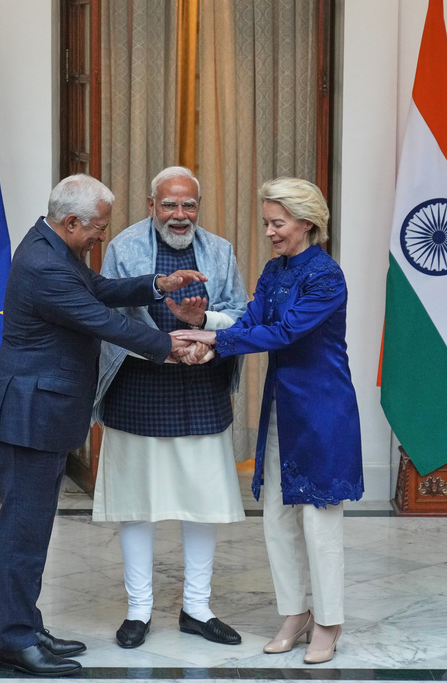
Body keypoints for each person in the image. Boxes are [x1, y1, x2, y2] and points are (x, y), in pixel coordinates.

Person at [0, 174, 204, 677]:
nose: (103, 235)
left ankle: (28, 627)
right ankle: (16, 640)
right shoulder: (43, 265)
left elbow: (98, 289)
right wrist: (171, 346)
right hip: (27, 416)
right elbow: (102, 319)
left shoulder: (53, 244)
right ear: (72, 221)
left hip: (38, 413)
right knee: (23, 534)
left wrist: (157, 283)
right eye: (99, 228)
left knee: (31, 532)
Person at [172, 177, 364, 665]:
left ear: (307, 222)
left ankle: (329, 621)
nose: (271, 232)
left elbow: (283, 331)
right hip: (281, 407)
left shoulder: (326, 276)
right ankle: (294, 613)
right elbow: (249, 319)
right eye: (267, 223)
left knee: (320, 522)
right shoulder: (274, 270)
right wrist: (202, 330)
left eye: (278, 223)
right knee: (278, 518)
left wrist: (213, 345)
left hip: (321, 411)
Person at [92, 166, 249, 649]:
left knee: (202, 502)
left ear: (198, 208)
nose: (179, 215)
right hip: (138, 386)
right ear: (151, 205)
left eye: (189, 205)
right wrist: (165, 345)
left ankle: (196, 609)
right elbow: (110, 316)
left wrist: (204, 330)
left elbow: (241, 313)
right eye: (169, 205)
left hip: (201, 387)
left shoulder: (219, 250)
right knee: (136, 504)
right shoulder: (123, 247)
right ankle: (138, 611)